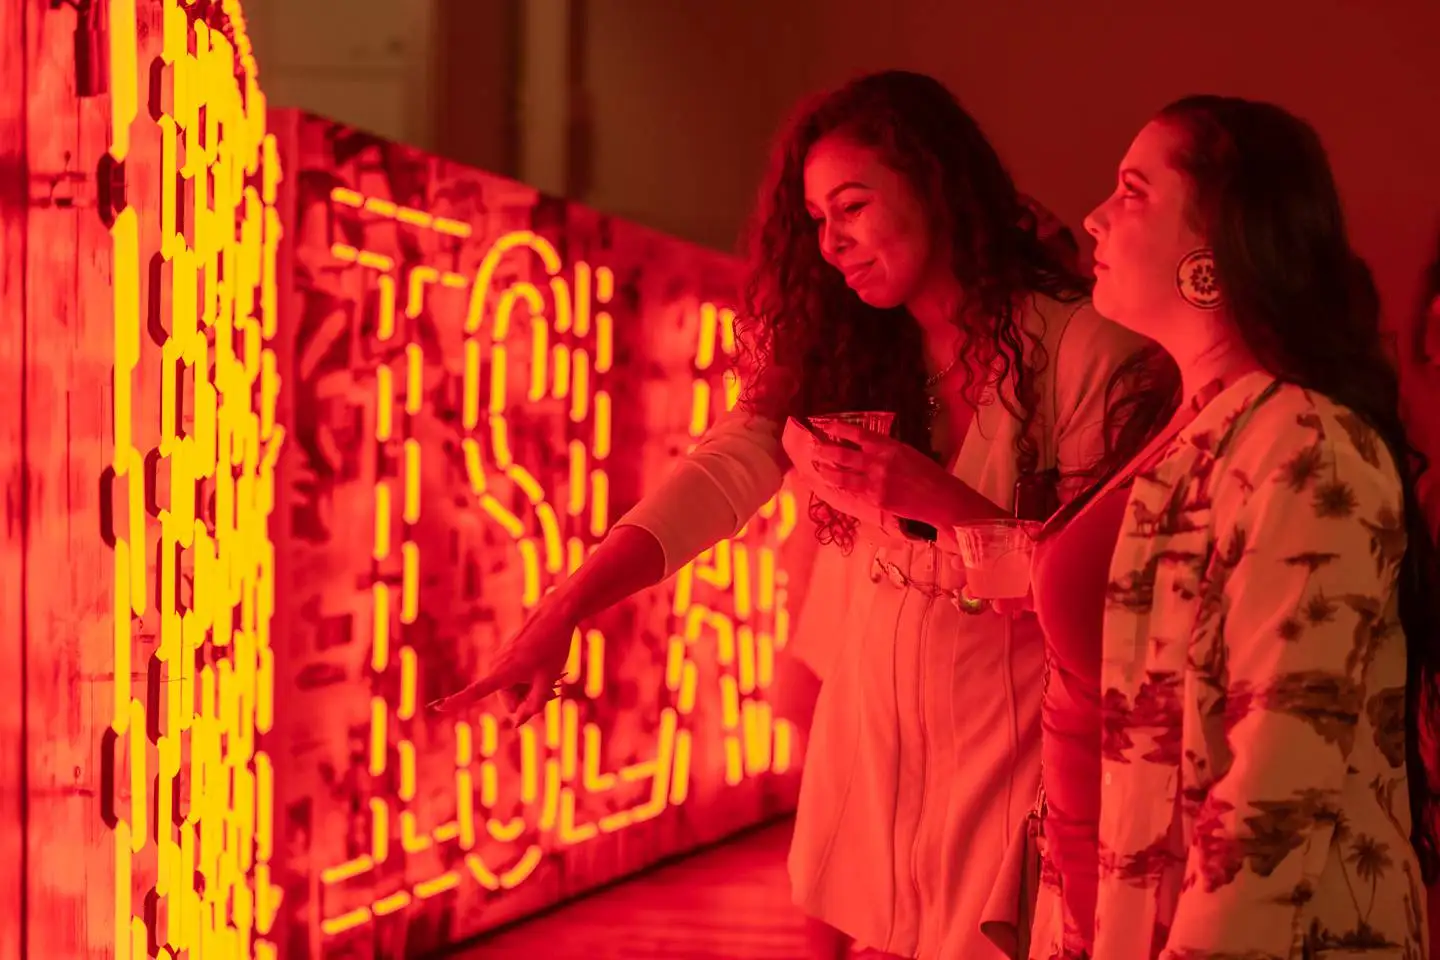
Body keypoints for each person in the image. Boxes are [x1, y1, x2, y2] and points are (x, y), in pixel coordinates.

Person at [434, 70, 1151, 959]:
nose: (833, 242)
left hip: (1017, 770)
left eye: (851, 206)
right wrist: (565, 608)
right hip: (879, 756)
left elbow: (1102, 600)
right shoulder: (841, 352)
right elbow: (724, 470)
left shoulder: (1089, 357)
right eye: (815, 221)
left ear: (935, 182)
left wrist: (939, 503)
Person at [1024, 94, 1439, 959]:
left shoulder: (1308, 443)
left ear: (1214, 252)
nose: (1095, 217)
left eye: (1132, 191)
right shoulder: (1191, 425)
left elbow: (1273, 788)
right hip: (1130, 897)